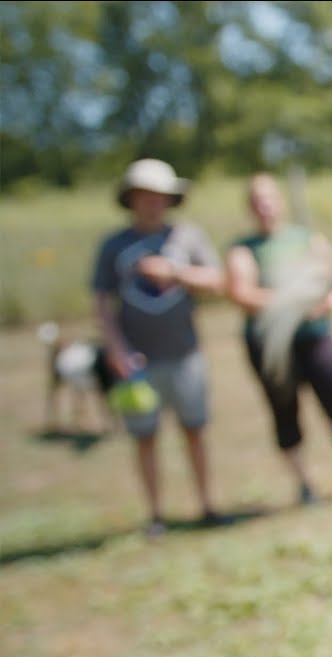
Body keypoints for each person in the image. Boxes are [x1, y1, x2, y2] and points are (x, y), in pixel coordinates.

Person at [224, 173, 332, 504]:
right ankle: (304, 484)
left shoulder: (306, 237)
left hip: (315, 337)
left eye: (269, 199)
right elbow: (241, 292)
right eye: (257, 201)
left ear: (279, 201)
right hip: (270, 345)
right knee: (284, 411)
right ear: (249, 208)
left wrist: (328, 301)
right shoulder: (243, 249)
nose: (264, 207)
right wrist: (293, 304)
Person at [91, 158, 228, 537]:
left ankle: (207, 504)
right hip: (138, 362)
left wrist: (175, 273)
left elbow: (217, 281)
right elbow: (101, 299)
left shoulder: (187, 237)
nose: (153, 202)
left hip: (185, 353)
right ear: (131, 199)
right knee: (145, 437)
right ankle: (156, 514)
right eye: (145, 195)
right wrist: (115, 348)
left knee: (195, 430)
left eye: (160, 196)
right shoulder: (114, 245)